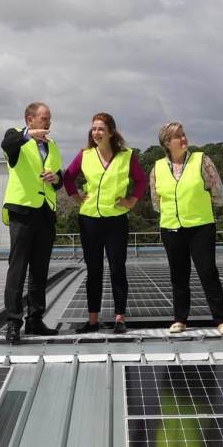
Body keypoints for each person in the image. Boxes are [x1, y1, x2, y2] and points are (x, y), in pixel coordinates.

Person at [62, 112, 147, 334]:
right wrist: (78, 199)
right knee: (94, 270)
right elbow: (68, 177)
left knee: (117, 268)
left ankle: (120, 318)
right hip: (89, 219)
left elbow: (140, 180)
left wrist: (131, 201)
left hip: (116, 220)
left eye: (101, 128)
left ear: (111, 132)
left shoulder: (127, 156)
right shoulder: (85, 155)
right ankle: (92, 320)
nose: (96, 132)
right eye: (93, 129)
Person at [150, 122, 223, 335]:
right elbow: (156, 202)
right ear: (167, 143)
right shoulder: (157, 168)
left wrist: (197, 207)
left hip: (200, 226)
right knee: (178, 275)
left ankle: (221, 319)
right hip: (170, 228)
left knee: (207, 272)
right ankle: (180, 319)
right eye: (179, 136)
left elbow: (219, 195)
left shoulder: (202, 161)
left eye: (184, 135)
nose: (184, 139)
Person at [1, 101, 63, 343]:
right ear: (30, 120)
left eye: (49, 118)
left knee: (40, 270)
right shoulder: (16, 138)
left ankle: (35, 320)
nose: (49, 122)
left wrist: (56, 178)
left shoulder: (53, 146)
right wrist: (27, 135)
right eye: (44, 118)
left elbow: (59, 179)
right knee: (18, 269)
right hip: (23, 212)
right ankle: (13, 322)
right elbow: (6, 145)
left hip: (45, 213)